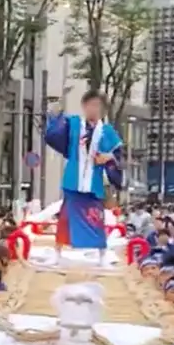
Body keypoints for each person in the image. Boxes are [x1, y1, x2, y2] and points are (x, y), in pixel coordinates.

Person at [43, 91, 124, 260]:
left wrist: (107, 158)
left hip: (93, 183)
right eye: (90, 105)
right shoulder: (73, 124)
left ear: (103, 109)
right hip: (73, 179)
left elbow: (118, 154)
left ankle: (102, 255)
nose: (93, 109)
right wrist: (56, 112)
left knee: (96, 219)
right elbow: (53, 133)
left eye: (97, 105)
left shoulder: (107, 131)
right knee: (65, 218)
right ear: (84, 106)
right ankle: (57, 253)